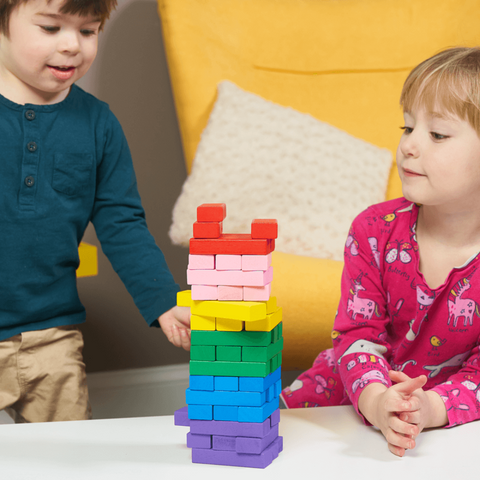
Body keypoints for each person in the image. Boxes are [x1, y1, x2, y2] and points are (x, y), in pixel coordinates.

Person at [281, 46, 480, 457]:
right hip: (343, 396)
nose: (409, 145)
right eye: (408, 128)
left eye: (437, 134)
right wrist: (376, 402)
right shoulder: (374, 230)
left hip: (441, 423)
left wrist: (427, 408)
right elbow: (357, 335)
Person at [0, 0, 191, 423]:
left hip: (52, 335)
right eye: (51, 28)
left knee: (66, 458)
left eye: (88, 31)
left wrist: (163, 299)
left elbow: (122, 224)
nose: (73, 46)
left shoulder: (98, 124)